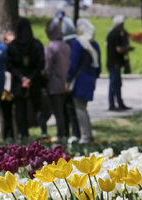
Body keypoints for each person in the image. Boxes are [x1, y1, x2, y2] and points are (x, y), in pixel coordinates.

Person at [7, 18, 48, 139]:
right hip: (34, 81)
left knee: (20, 110)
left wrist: (21, 78)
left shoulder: (13, 46)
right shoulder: (36, 44)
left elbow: (9, 65)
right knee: (38, 107)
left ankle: (23, 135)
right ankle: (44, 132)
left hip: (19, 82)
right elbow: (41, 64)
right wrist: (30, 78)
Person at [67, 18, 101, 144]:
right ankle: (87, 134)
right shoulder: (95, 44)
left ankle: (86, 136)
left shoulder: (78, 43)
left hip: (80, 80)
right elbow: (98, 67)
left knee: (80, 108)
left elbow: (73, 64)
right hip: (90, 79)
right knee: (83, 107)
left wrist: (68, 79)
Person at [53, 10, 81, 142]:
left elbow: (70, 65)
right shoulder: (76, 42)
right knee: (69, 107)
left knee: (68, 107)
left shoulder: (68, 44)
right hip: (72, 79)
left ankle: (71, 133)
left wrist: (67, 79)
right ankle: (71, 132)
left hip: (67, 80)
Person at [44, 21, 70, 139]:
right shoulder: (66, 46)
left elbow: (47, 68)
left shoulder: (50, 47)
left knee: (57, 112)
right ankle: (65, 132)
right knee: (62, 111)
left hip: (54, 84)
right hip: (64, 83)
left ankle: (61, 134)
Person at [106, 15, 134, 111]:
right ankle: (112, 104)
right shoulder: (115, 34)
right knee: (113, 84)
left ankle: (119, 103)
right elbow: (119, 49)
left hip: (116, 63)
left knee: (118, 84)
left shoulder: (118, 34)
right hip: (114, 63)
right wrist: (128, 48)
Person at [1, 31, 15, 140]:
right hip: (4, 87)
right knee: (6, 113)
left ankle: (12, 135)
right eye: (8, 40)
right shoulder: (2, 52)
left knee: (11, 114)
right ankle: (6, 136)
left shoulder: (15, 52)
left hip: (13, 86)